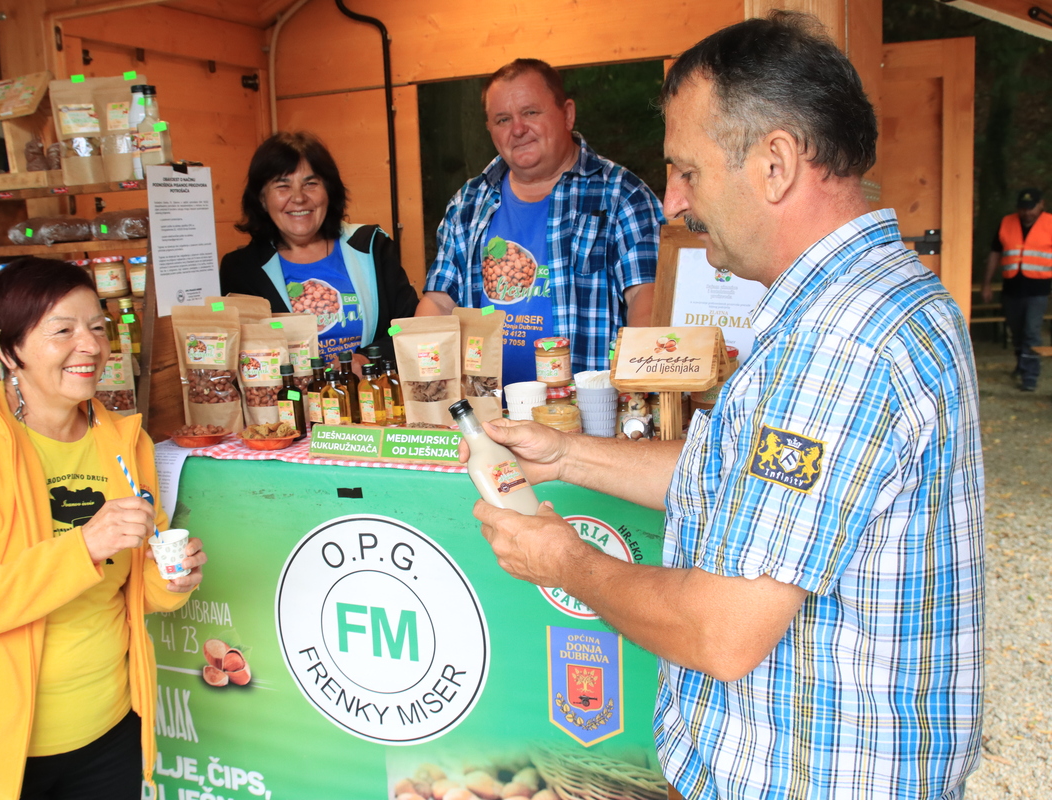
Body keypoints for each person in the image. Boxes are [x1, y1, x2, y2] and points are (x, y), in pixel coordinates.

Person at [468, 13, 983, 799]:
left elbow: (721, 630)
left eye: (687, 171)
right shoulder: (869, 296)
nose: (673, 201)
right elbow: (732, 475)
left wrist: (558, 557)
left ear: (775, 163)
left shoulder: (837, 343)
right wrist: (567, 452)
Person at [0, 257, 207, 800]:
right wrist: (84, 545)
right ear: (9, 349)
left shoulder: (125, 442)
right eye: (63, 331)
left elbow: (136, 587)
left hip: (107, 736)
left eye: (98, 328)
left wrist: (173, 582)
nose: (91, 345)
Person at [417, 58, 663, 384]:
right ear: (490, 130)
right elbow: (438, 302)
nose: (518, 129)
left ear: (568, 114)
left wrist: (641, 390)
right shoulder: (469, 203)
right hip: (488, 414)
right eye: (503, 119)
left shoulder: (620, 194)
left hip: (587, 419)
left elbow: (648, 298)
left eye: (531, 112)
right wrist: (425, 383)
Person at [219, 131, 419, 370]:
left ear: (329, 191)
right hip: (287, 404)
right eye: (282, 186)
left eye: (310, 184)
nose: (298, 198)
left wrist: (367, 359)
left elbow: (404, 325)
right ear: (262, 199)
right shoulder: (242, 270)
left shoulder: (370, 246)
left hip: (370, 399)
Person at [981, 187, 1050, 392]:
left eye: (1031, 208)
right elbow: (995, 253)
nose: (1027, 212)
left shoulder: (1050, 224)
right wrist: (986, 284)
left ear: (1041, 205)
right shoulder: (1006, 223)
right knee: (1017, 333)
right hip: (1011, 287)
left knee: (1031, 332)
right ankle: (1021, 365)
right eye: (1023, 208)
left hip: (1038, 289)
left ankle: (1030, 376)